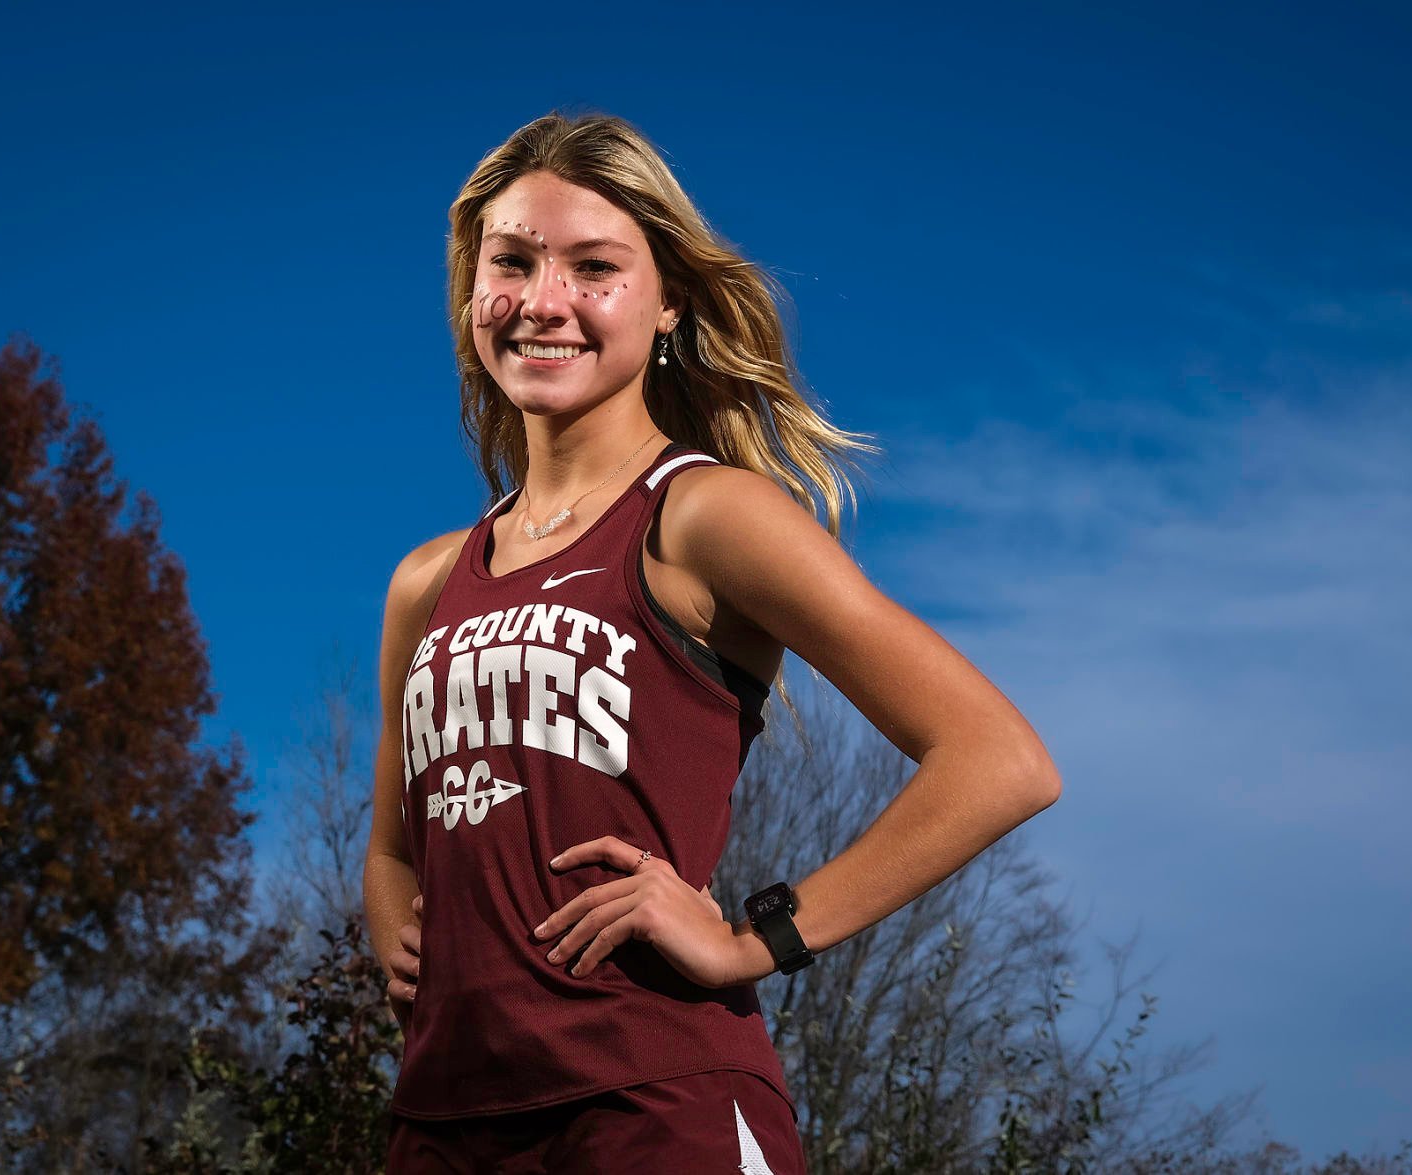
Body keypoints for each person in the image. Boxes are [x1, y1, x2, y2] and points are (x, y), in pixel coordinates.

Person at [365, 110, 1061, 1175]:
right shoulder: (425, 580)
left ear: (668, 303)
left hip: (655, 1105)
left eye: (593, 267)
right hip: (443, 1119)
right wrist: (394, 920)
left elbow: (997, 758)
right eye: (510, 263)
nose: (543, 301)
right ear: (471, 297)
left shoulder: (701, 517)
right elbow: (394, 847)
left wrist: (755, 935)